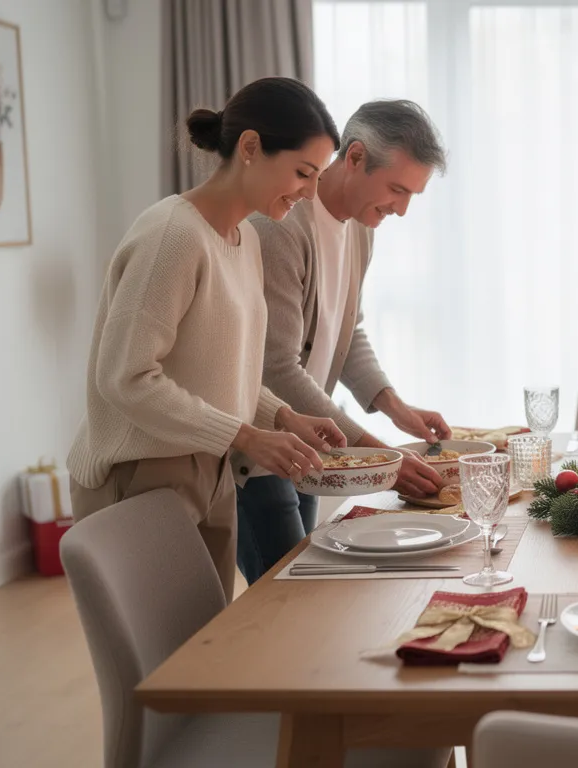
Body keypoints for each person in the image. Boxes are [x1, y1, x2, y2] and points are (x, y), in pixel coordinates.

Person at [67, 77, 348, 601]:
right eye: (303, 173)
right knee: (169, 668)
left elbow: (219, 369)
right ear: (249, 148)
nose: (310, 192)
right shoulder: (172, 236)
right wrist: (245, 436)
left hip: (210, 468)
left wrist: (282, 416)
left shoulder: (243, 242)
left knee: (202, 654)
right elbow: (125, 378)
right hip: (142, 474)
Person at [235, 99, 452, 582]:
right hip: (260, 452)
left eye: (412, 195)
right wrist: (378, 455)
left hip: (310, 443)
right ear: (354, 158)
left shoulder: (359, 229)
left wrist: (395, 407)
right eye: (397, 189)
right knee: (287, 600)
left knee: (307, 590)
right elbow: (276, 367)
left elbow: (345, 331)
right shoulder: (280, 227)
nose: (401, 209)